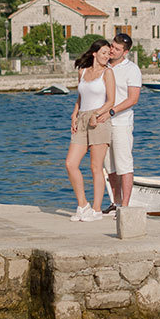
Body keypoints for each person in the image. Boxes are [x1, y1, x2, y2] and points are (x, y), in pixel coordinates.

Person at [66, 39, 115, 222]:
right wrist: (74, 114)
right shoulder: (83, 71)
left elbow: (111, 101)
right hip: (82, 118)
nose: (106, 56)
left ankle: (96, 210)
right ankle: (83, 205)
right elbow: (80, 97)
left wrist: (97, 114)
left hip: (99, 120)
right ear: (94, 53)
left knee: (96, 167)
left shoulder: (108, 73)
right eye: (103, 52)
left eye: (108, 53)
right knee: (70, 163)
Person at [103, 32, 142, 211]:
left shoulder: (132, 69)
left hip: (121, 122)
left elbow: (133, 99)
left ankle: (125, 206)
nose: (112, 50)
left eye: (117, 49)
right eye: (112, 46)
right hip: (102, 123)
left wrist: (112, 111)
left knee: (124, 164)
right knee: (108, 166)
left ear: (125, 52)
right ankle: (115, 202)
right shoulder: (103, 65)